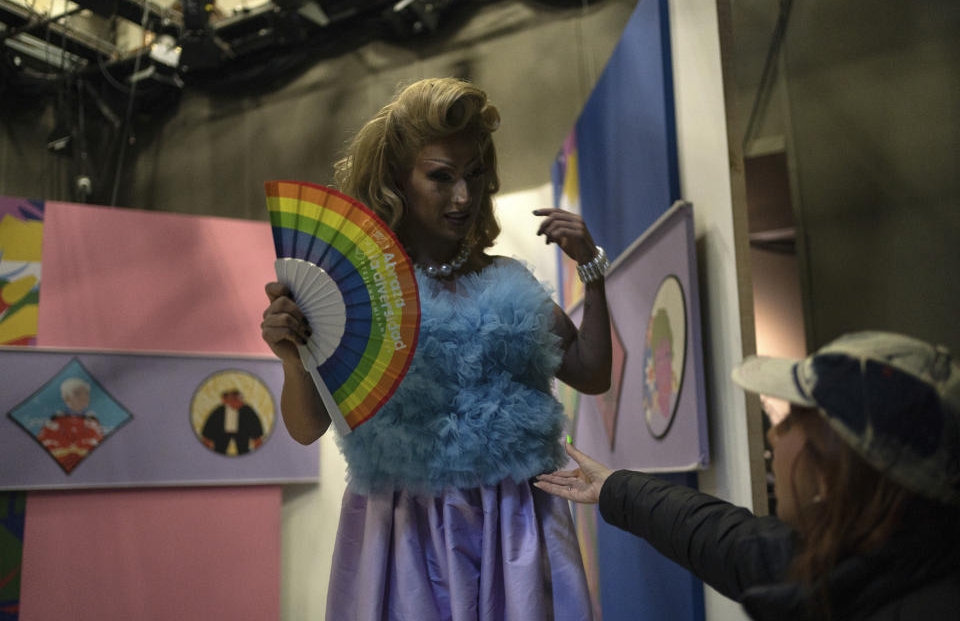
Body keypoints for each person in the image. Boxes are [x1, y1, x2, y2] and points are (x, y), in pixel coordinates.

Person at [260, 77, 613, 620]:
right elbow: (307, 427)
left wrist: (591, 273)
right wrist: (291, 359)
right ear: (397, 180)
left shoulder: (511, 284)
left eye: (474, 175)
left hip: (516, 517)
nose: (464, 197)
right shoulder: (355, 296)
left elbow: (591, 373)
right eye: (441, 177)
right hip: (402, 526)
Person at [536, 331, 960, 620]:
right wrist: (614, 487)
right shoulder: (849, 560)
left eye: (793, 421)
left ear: (837, 470)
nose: (775, 436)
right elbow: (728, 540)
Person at [37, 377, 104, 473]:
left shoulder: (93, 422)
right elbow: (45, 448)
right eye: (79, 394)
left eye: (87, 394)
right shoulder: (54, 422)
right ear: (67, 398)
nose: (85, 397)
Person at [200, 388, 265, 455]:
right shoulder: (219, 411)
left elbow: (255, 424)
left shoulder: (247, 410)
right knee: (219, 449)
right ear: (227, 401)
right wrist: (207, 441)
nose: (239, 403)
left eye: (240, 400)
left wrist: (257, 440)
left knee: (243, 450)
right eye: (234, 400)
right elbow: (211, 425)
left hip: (241, 433)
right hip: (222, 433)